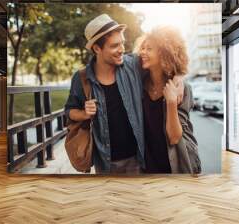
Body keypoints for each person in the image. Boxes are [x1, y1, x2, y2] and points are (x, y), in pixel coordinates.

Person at [64, 14, 146, 174]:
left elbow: (163, 60)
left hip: (138, 160)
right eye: (115, 45)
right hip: (105, 164)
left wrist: (178, 78)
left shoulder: (133, 65)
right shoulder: (81, 78)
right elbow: (69, 111)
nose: (122, 49)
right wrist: (84, 114)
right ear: (97, 48)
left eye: (122, 43)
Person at [135, 26, 201, 174]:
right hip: (148, 163)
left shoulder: (181, 89)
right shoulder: (139, 85)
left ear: (165, 53)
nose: (142, 53)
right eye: (143, 48)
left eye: (149, 49)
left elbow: (174, 137)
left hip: (177, 161)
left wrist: (171, 103)